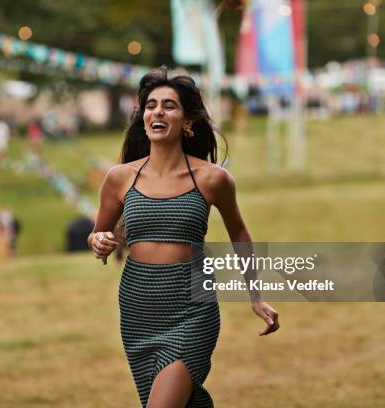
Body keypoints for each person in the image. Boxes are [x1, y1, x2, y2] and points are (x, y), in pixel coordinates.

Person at [88, 67, 279, 407]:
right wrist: (99, 242)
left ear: (187, 121)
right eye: (151, 105)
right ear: (143, 117)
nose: (158, 112)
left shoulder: (213, 179)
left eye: (169, 106)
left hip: (192, 307)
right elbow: (98, 234)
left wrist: (256, 295)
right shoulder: (119, 178)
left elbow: (239, 231)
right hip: (139, 307)